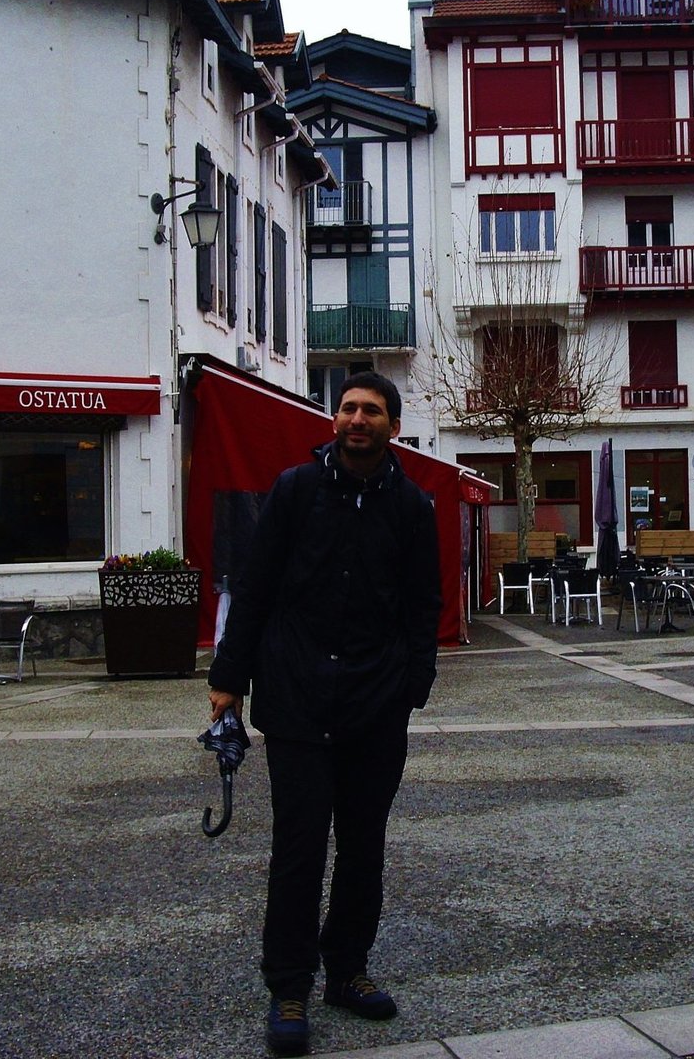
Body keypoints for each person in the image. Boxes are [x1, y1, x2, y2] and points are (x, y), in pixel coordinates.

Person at [207, 371, 441, 1057]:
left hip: (375, 703)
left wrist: (412, 685)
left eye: (371, 410)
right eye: (347, 408)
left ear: (393, 426)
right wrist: (228, 679)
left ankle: (347, 970)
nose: (357, 419)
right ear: (334, 420)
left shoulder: (411, 506)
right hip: (298, 700)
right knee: (299, 850)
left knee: (364, 847)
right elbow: (254, 587)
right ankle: (289, 987)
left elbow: (423, 604)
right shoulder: (295, 490)